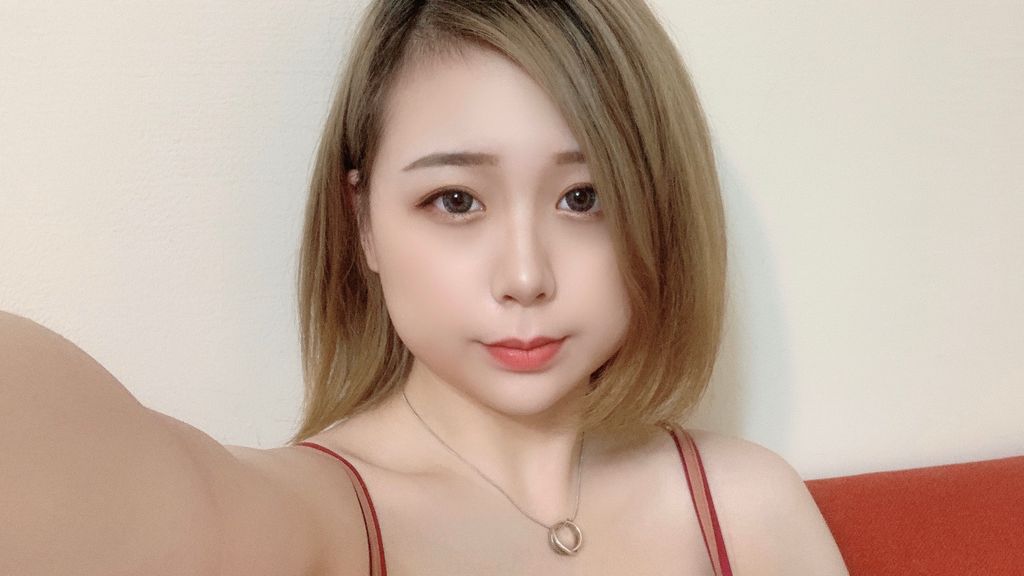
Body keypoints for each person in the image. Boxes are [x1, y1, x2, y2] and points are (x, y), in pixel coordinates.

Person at [1, 1, 849, 575]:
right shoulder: (318, 518)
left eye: (584, 198)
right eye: (456, 201)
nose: (526, 277)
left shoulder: (745, 506)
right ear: (363, 222)